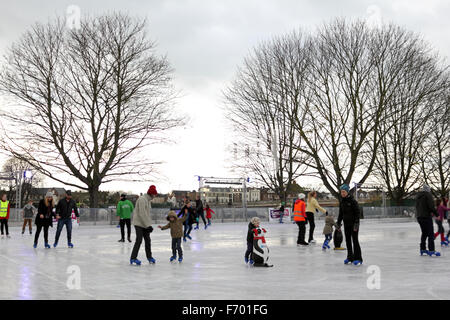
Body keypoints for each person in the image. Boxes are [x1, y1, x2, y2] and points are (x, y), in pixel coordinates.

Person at [130, 185, 157, 265]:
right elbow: (142, 213)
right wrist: (148, 225)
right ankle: (133, 258)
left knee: (148, 240)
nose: (155, 196)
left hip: (144, 224)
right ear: (151, 194)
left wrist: (149, 225)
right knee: (139, 240)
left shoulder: (148, 201)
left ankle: (149, 257)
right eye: (154, 194)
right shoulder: (142, 199)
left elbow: (147, 214)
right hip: (138, 223)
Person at [337, 184, 363, 265]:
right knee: (348, 241)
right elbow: (340, 214)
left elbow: (358, 213)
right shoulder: (342, 202)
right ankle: (350, 257)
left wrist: (356, 223)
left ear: (347, 192)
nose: (342, 193)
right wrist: (338, 223)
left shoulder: (353, 201)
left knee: (355, 240)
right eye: (341, 192)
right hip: (346, 224)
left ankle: (358, 258)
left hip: (354, 224)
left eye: (344, 192)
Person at [415, 184, 440, 257]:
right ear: (428, 189)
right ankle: (431, 250)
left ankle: (422, 249)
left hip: (419, 217)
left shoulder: (418, 196)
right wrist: (437, 214)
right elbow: (431, 206)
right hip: (426, 217)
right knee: (430, 234)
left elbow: (417, 207)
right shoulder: (428, 195)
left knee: (424, 233)